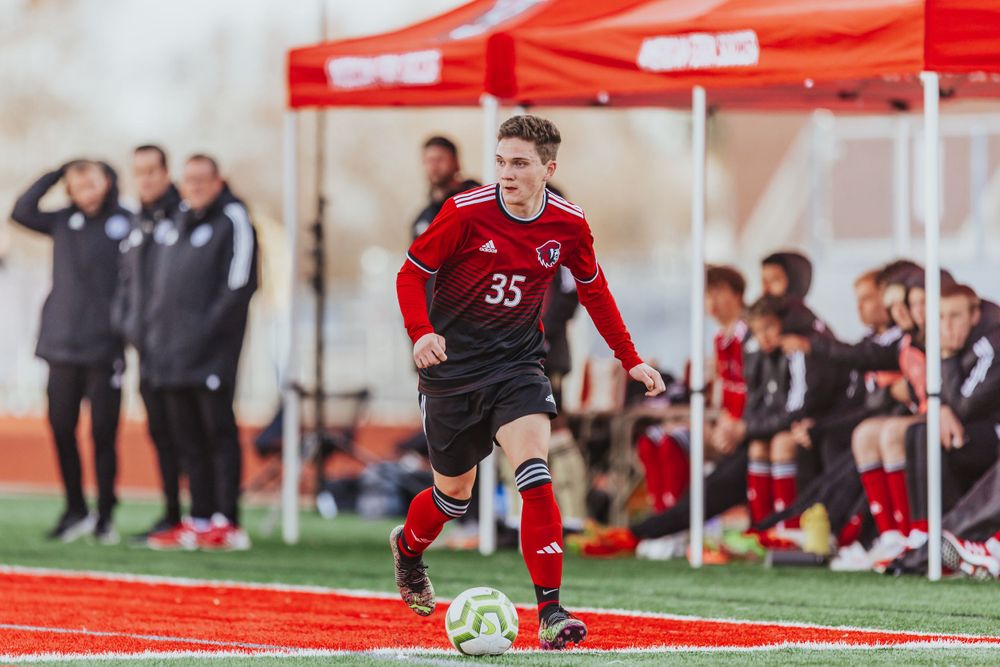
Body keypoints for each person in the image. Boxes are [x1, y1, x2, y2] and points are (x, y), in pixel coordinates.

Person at [392, 115, 665, 650]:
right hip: (450, 370)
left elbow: (594, 291)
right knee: (452, 498)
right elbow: (410, 273)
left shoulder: (567, 223)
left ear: (548, 168)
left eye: (519, 163)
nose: (506, 173)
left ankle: (551, 612)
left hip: (518, 365)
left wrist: (629, 359)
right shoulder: (465, 212)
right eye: (500, 161)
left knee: (535, 475)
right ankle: (407, 550)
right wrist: (421, 333)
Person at [10, 160, 130, 543]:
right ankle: (75, 508)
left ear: (106, 181)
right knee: (62, 428)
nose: (85, 190)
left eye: (91, 181)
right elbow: (21, 211)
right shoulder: (62, 221)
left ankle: (105, 514)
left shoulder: (125, 223)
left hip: (105, 348)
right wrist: (56, 172)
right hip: (61, 346)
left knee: (103, 434)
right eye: (76, 183)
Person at [144, 154, 259, 551]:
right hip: (170, 352)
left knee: (217, 433)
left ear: (217, 180)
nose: (193, 187)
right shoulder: (175, 223)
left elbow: (240, 284)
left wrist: (207, 334)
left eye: (201, 180)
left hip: (212, 352)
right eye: (187, 180)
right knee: (186, 437)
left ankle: (226, 520)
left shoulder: (233, 219)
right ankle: (199, 516)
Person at [112, 145, 185, 541]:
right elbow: (126, 283)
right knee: (160, 433)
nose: (146, 179)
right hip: (147, 350)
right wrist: (126, 326)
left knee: (189, 434)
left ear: (165, 172)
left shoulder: (181, 215)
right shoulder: (136, 221)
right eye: (139, 172)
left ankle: (208, 515)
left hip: (179, 349)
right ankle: (172, 512)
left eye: (152, 171)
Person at [411, 136, 481, 242]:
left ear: (456, 162)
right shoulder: (422, 222)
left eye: (439, 159)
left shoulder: (477, 200)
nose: (434, 167)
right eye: (429, 161)